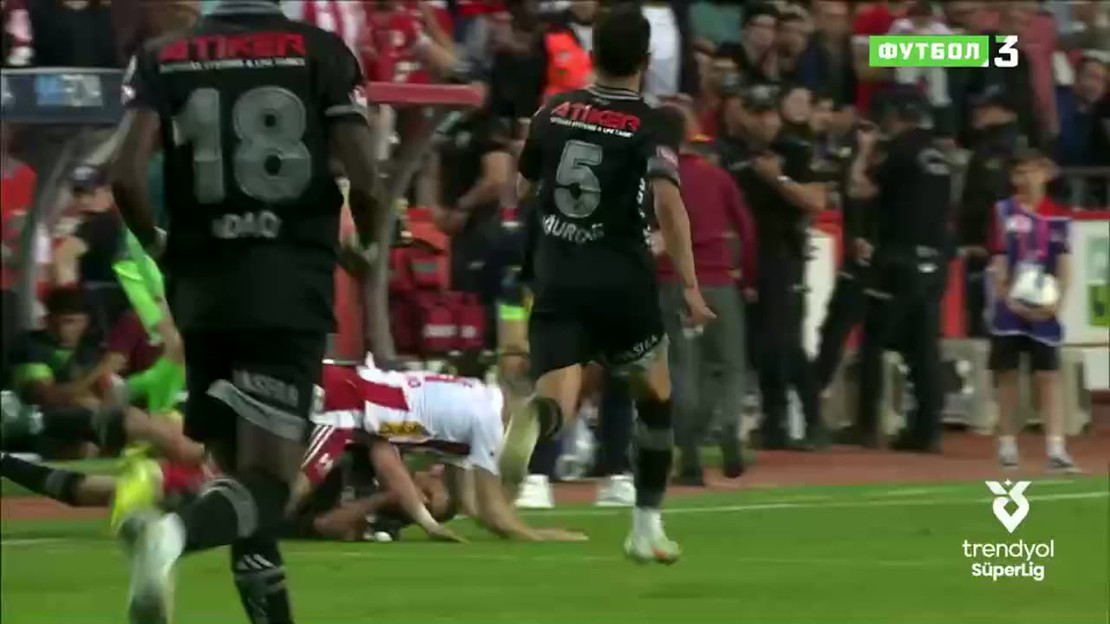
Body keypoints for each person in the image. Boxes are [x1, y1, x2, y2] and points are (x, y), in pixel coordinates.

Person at [107, 0, 386, 622]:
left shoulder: (161, 56)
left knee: (237, 484)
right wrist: (366, 248)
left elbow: (123, 176)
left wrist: (160, 246)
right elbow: (367, 182)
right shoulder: (321, 52)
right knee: (269, 484)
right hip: (286, 287)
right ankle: (172, 533)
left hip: (201, 292)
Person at [498, 6, 714, 565]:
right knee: (655, 397)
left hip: (556, 274)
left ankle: (536, 419)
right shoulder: (652, 123)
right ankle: (645, 527)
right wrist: (690, 285)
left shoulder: (552, 110)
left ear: (591, 56)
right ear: (647, 59)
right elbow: (668, 201)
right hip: (622, 279)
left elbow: (518, 188)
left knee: (559, 395)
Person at [311, 355, 586, 541]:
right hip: (349, 392)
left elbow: (472, 507)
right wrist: (539, 536)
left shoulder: (472, 406)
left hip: (352, 392)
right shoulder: (485, 419)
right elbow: (493, 514)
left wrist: (428, 521)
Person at [652, 101, 755, 485]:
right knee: (728, 365)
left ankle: (691, 460)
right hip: (719, 281)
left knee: (682, 369)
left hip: (671, 281)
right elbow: (746, 229)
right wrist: (748, 278)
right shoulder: (717, 176)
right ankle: (728, 426)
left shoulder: (651, 179)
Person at [722, 85, 826, 450]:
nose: (760, 121)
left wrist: (777, 179)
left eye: (766, 113)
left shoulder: (795, 150)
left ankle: (814, 422)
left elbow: (816, 200)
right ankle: (774, 422)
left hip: (783, 256)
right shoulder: (735, 155)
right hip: (748, 259)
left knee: (785, 343)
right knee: (757, 344)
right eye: (753, 112)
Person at [848, 87, 951, 452]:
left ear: (896, 115)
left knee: (873, 341)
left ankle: (866, 426)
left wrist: (863, 153)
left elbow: (859, 189)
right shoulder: (938, 155)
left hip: (899, 259)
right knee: (924, 348)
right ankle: (927, 430)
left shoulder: (899, 152)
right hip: (935, 260)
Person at [986, 149, 1080, 474]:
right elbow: (998, 261)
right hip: (1010, 308)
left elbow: (1064, 265)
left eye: (1034, 171)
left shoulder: (1059, 217)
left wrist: (1056, 304)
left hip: (1044, 308)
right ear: (1013, 178)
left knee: (1049, 376)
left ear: (1046, 174)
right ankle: (1007, 445)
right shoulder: (1003, 212)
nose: (1027, 178)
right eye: (1021, 172)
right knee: (1007, 374)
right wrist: (1007, 299)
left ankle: (1056, 448)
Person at [957, 86, 1024, 339]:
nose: (979, 112)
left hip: (990, 241)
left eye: (987, 108)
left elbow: (991, 199)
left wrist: (982, 240)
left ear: (1007, 113)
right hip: (990, 239)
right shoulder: (989, 144)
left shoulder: (1001, 149)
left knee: (986, 309)